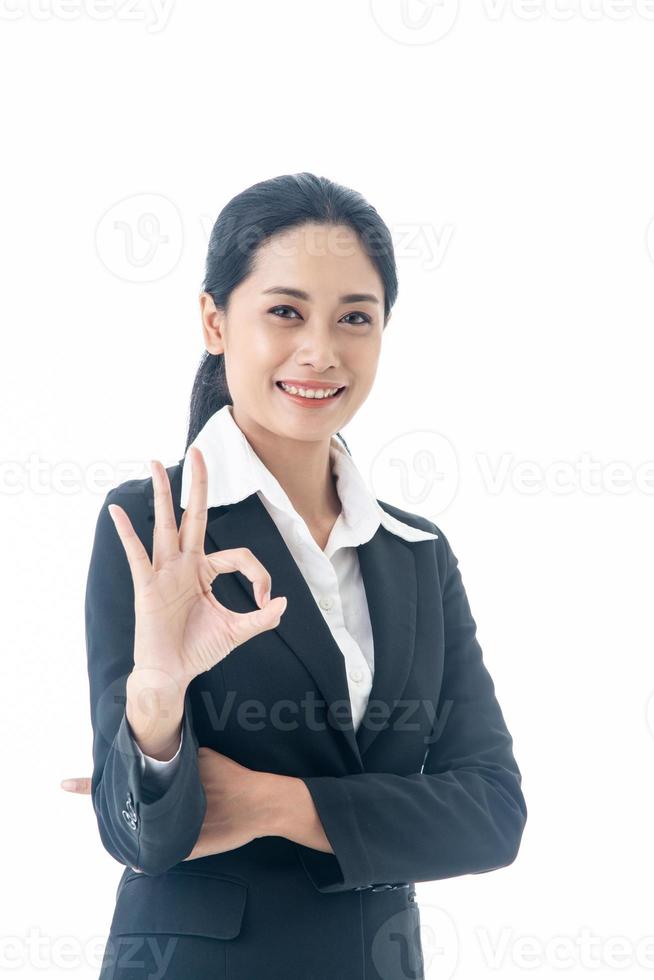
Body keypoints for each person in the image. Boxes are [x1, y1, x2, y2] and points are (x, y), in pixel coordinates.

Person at [62, 172, 528, 979]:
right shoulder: (156, 526)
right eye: (285, 312)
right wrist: (158, 701)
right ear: (214, 320)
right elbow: (139, 835)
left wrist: (284, 805)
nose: (321, 351)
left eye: (355, 318)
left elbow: (492, 813)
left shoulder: (416, 552)